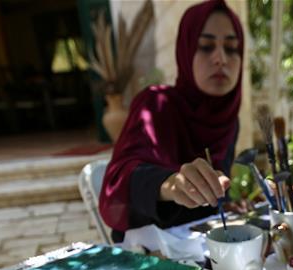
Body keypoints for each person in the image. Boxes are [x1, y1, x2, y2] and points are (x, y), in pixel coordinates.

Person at [99, 0, 243, 242]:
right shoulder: (156, 105)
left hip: (204, 252)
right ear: (185, 50)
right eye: (206, 46)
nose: (221, 59)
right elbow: (120, 182)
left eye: (231, 48)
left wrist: (226, 204)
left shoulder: (229, 120)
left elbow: (210, 205)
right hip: (150, 256)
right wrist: (170, 185)